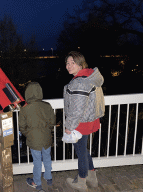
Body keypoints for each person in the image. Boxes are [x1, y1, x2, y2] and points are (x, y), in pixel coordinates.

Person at [63, 51, 105, 191]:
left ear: (81, 64)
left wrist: (69, 126)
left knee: (81, 152)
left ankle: (81, 182)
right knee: (84, 150)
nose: (69, 66)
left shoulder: (79, 82)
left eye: (72, 63)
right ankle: (92, 179)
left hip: (80, 123)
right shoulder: (89, 77)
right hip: (89, 120)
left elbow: (77, 109)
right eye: (67, 63)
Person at [19, 82, 56, 190]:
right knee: (47, 157)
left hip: (34, 139)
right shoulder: (47, 105)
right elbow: (52, 122)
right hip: (46, 138)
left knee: (37, 161)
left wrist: (29, 134)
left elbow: (22, 127)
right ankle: (48, 178)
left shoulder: (25, 109)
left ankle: (37, 182)